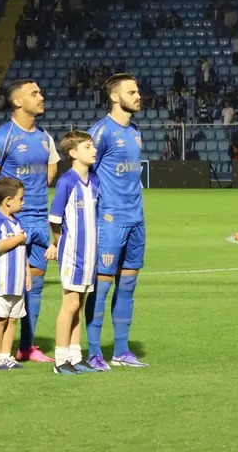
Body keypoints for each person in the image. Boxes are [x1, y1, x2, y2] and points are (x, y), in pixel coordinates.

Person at [0, 79, 59, 363]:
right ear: (17, 102)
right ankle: (1, 349)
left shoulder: (44, 137)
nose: (41, 96)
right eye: (34, 93)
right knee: (9, 286)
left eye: (40, 91)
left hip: (39, 219)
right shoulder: (5, 137)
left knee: (34, 285)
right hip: (17, 223)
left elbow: (49, 171)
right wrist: (0, 216)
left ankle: (27, 346)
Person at [86, 74, 149, 369]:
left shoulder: (135, 132)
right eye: (132, 91)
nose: (138, 95)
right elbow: (85, 176)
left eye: (137, 91)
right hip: (110, 220)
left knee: (129, 285)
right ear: (114, 97)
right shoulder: (101, 133)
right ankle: (95, 352)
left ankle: (122, 351)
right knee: (102, 286)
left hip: (136, 219)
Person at [49, 131, 100, 374]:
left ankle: (76, 355)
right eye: (88, 147)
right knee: (69, 304)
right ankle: (60, 360)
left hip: (90, 253)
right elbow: (55, 219)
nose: (93, 150)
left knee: (79, 304)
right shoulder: (67, 181)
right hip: (73, 253)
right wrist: (59, 244)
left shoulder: (95, 180)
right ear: (72, 153)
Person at [0, 177, 28, 371]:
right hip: (2, 281)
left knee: (13, 319)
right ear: (8, 200)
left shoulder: (17, 222)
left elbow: (23, 252)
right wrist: (18, 239)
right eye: (21, 198)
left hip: (18, 281)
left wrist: (27, 273)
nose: (23, 202)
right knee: (0, 317)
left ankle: (6, 355)